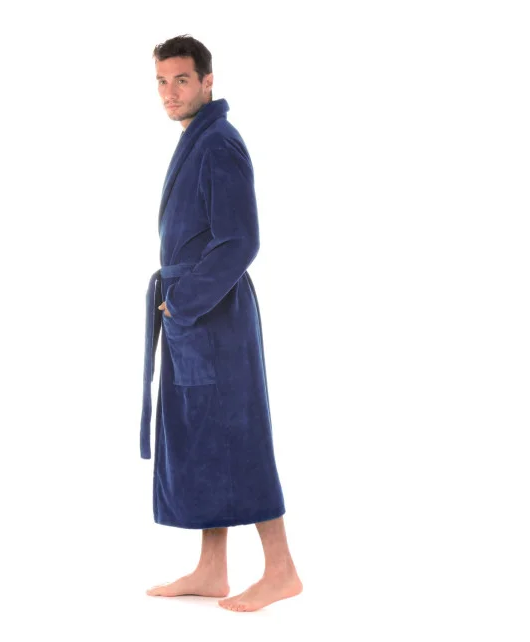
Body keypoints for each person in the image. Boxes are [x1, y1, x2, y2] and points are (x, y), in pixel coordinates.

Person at [140, 35, 302, 612]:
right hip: (195, 315)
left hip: (215, 315)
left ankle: (281, 570)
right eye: (161, 82)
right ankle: (213, 569)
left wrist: (181, 301)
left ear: (208, 82)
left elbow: (241, 241)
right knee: (206, 436)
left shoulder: (219, 144)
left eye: (181, 80)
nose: (170, 92)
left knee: (237, 432)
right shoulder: (197, 139)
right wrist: (180, 305)